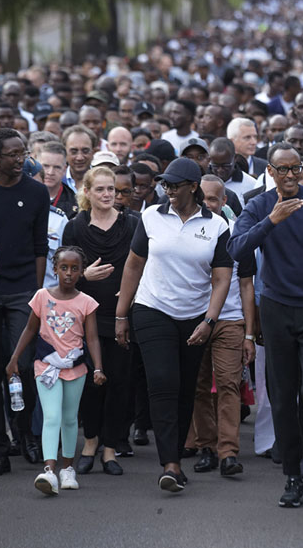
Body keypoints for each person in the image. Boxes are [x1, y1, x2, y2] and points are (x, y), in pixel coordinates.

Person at [227, 143, 303, 508]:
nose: (291, 175)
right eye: (283, 170)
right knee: (282, 397)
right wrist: (272, 221)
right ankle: (293, 475)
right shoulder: (259, 206)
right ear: (271, 173)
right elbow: (237, 249)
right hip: (277, 309)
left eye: (296, 168)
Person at [114, 158, 232, 493]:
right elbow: (134, 265)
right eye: (165, 185)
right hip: (152, 310)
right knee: (163, 383)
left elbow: (222, 278)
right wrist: (122, 315)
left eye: (175, 185)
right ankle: (171, 464)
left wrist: (210, 320)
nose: (168, 191)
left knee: (184, 389)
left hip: (195, 316)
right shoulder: (151, 216)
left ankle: (175, 457)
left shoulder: (217, 226)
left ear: (193, 187)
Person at [0, 128, 50, 476]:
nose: (20, 160)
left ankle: (26, 436)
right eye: (13, 154)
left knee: (23, 369)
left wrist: (36, 293)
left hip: (22, 293)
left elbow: (40, 248)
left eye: (23, 153)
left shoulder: (36, 192)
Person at [5, 246, 106, 495]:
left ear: (82, 272)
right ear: (55, 269)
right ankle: (49, 471)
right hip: (46, 367)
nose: (69, 274)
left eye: (74, 269)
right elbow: (30, 329)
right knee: (51, 417)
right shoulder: (41, 297)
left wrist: (98, 368)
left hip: (76, 368)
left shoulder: (87, 303)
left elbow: (92, 339)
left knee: (70, 418)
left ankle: (68, 468)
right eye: (64, 268)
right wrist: (15, 358)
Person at [63, 167, 139, 476]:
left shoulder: (133, 225)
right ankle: (90, 443)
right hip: (85, 319)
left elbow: (146, 264)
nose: (108, 194)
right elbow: (62, 274)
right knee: (90, 384)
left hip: (122, 315)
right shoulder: (74, 228)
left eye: (112, 189)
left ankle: (110, 449)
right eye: (101, 189)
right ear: (87, 192)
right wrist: (84, 275)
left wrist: (132, 291)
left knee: (119, 383)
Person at [187, 176, 256, 476]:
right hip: (193, 319)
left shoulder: (237, 237)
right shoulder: (186, 233)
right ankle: (206, 447)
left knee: (228, 384)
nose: (207, 203)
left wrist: (249, 334)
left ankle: (228, 453)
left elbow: (247, 287)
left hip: (229, 320)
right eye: (202, 198)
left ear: (225, 201)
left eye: (213, 198)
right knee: (199, 386)